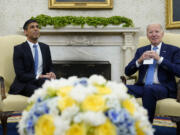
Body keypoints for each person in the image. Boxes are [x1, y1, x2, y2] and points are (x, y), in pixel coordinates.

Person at [125, 24, 180, 123]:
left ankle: (146, 128)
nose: (154, 34)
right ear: (147, 35)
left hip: (164, 88)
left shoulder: (174, 50)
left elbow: (178, 71)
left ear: (162, 34)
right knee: (118, 88)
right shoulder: (141, 50)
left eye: (157, 31)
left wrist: (160, 59)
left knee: (149, 89)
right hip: (142, 87)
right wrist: (140, 60)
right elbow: (127, 71)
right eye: (150, 32)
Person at [9, 19, 56, 97]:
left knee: (57, 88)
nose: (36, 29)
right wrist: (39, 76)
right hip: (25, 83)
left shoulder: (45, 47)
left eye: (37, 27)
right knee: (40, 92)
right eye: (32, 27)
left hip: (42, 81)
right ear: (25, 32)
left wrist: (52, 72)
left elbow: (50, 66)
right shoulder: (19, 49)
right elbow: (20, 75)